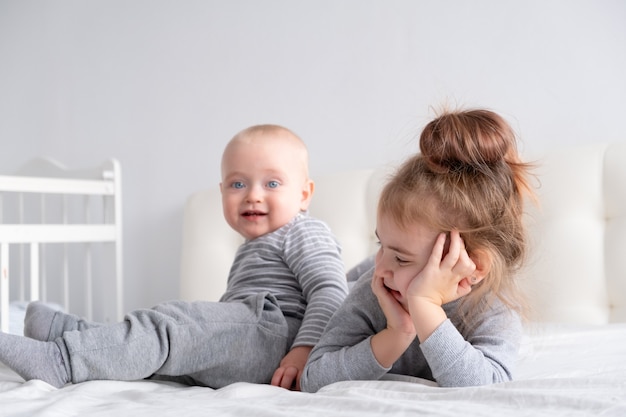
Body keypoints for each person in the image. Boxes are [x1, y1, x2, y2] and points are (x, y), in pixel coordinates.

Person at [0, 124, 349, 391]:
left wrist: (306, 349)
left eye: (272, 184)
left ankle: (62, 361)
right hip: (257, 341)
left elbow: (330, 291)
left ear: (304, 194)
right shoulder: (254, 247)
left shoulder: (305, 230)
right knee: (170, 351)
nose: (252, 196)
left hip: (278, 339)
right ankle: (79, 333)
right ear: (222, 191)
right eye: (237, 184)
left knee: (175, 323)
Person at [300, 108, 535, 392]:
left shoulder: (492, 308)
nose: (383, 267)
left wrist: (425, 306)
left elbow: (486, 387)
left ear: (473, 266)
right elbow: (313, 379)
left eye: (401, 257)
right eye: (381, 245)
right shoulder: (375, 289)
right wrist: (396, 334)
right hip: (346, 287)